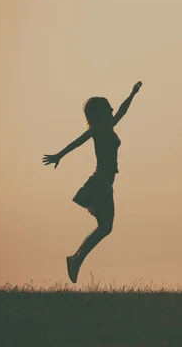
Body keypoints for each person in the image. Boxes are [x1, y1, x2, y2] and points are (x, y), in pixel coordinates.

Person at [43, 81, 143, 283]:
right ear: (100, 112)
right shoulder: (98, 129)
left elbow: (122, 111)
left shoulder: (108, 126)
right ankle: (75, 260)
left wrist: (132, 94)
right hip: (101, 182)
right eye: (108, 108)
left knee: (105, 227)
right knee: (106, 227)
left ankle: (75, 259)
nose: (112, 109)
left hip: (105, 182)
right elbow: (77, 142)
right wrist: (59, 155)